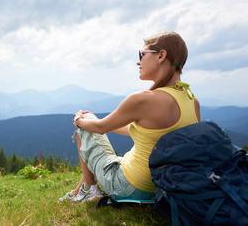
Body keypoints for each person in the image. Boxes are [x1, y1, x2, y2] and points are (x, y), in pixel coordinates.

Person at [59, 31, 201, 203]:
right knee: (92, 120)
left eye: (142, 54)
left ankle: (89, 190)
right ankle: (83, 189)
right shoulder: (192, 102)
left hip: (131, 186)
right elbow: (145, 133)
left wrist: (80, 121)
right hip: (164, 187)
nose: (138, 61)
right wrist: (96, 121)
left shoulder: (143, 99)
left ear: (161, 56)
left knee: (88, 122)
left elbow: (100, 128)